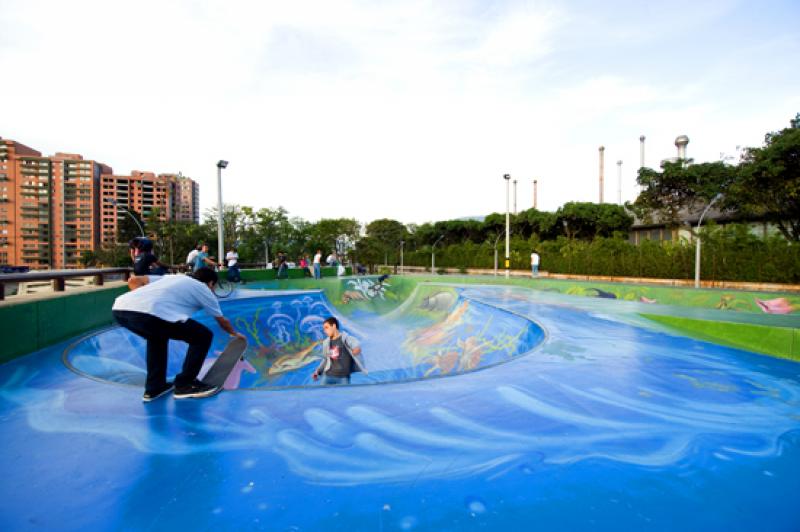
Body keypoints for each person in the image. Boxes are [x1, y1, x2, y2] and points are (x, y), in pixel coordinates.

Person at [112, 267, 247, 401]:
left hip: (120, 309)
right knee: (202, 336)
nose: (213, 290)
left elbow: (133, 280)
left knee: (157, 338)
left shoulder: (174, 277)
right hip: (149, 313)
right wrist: (234, 334)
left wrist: (142, 299)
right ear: (211, 283)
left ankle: (155, 387)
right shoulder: (204, 289)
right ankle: (185, 385)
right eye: (214, 287)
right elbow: (222, 321)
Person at [312, 317, 367, 385]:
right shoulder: (326, 342)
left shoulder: (346, 338)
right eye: (324, 329)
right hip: (328, 376)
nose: (325, 331)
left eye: (326, 327)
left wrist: (355, 351)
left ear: (334, 326)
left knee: (344, 395)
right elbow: (326, 359)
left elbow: (357, 347)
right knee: (322, 394)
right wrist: (318, 371)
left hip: (343, 378)